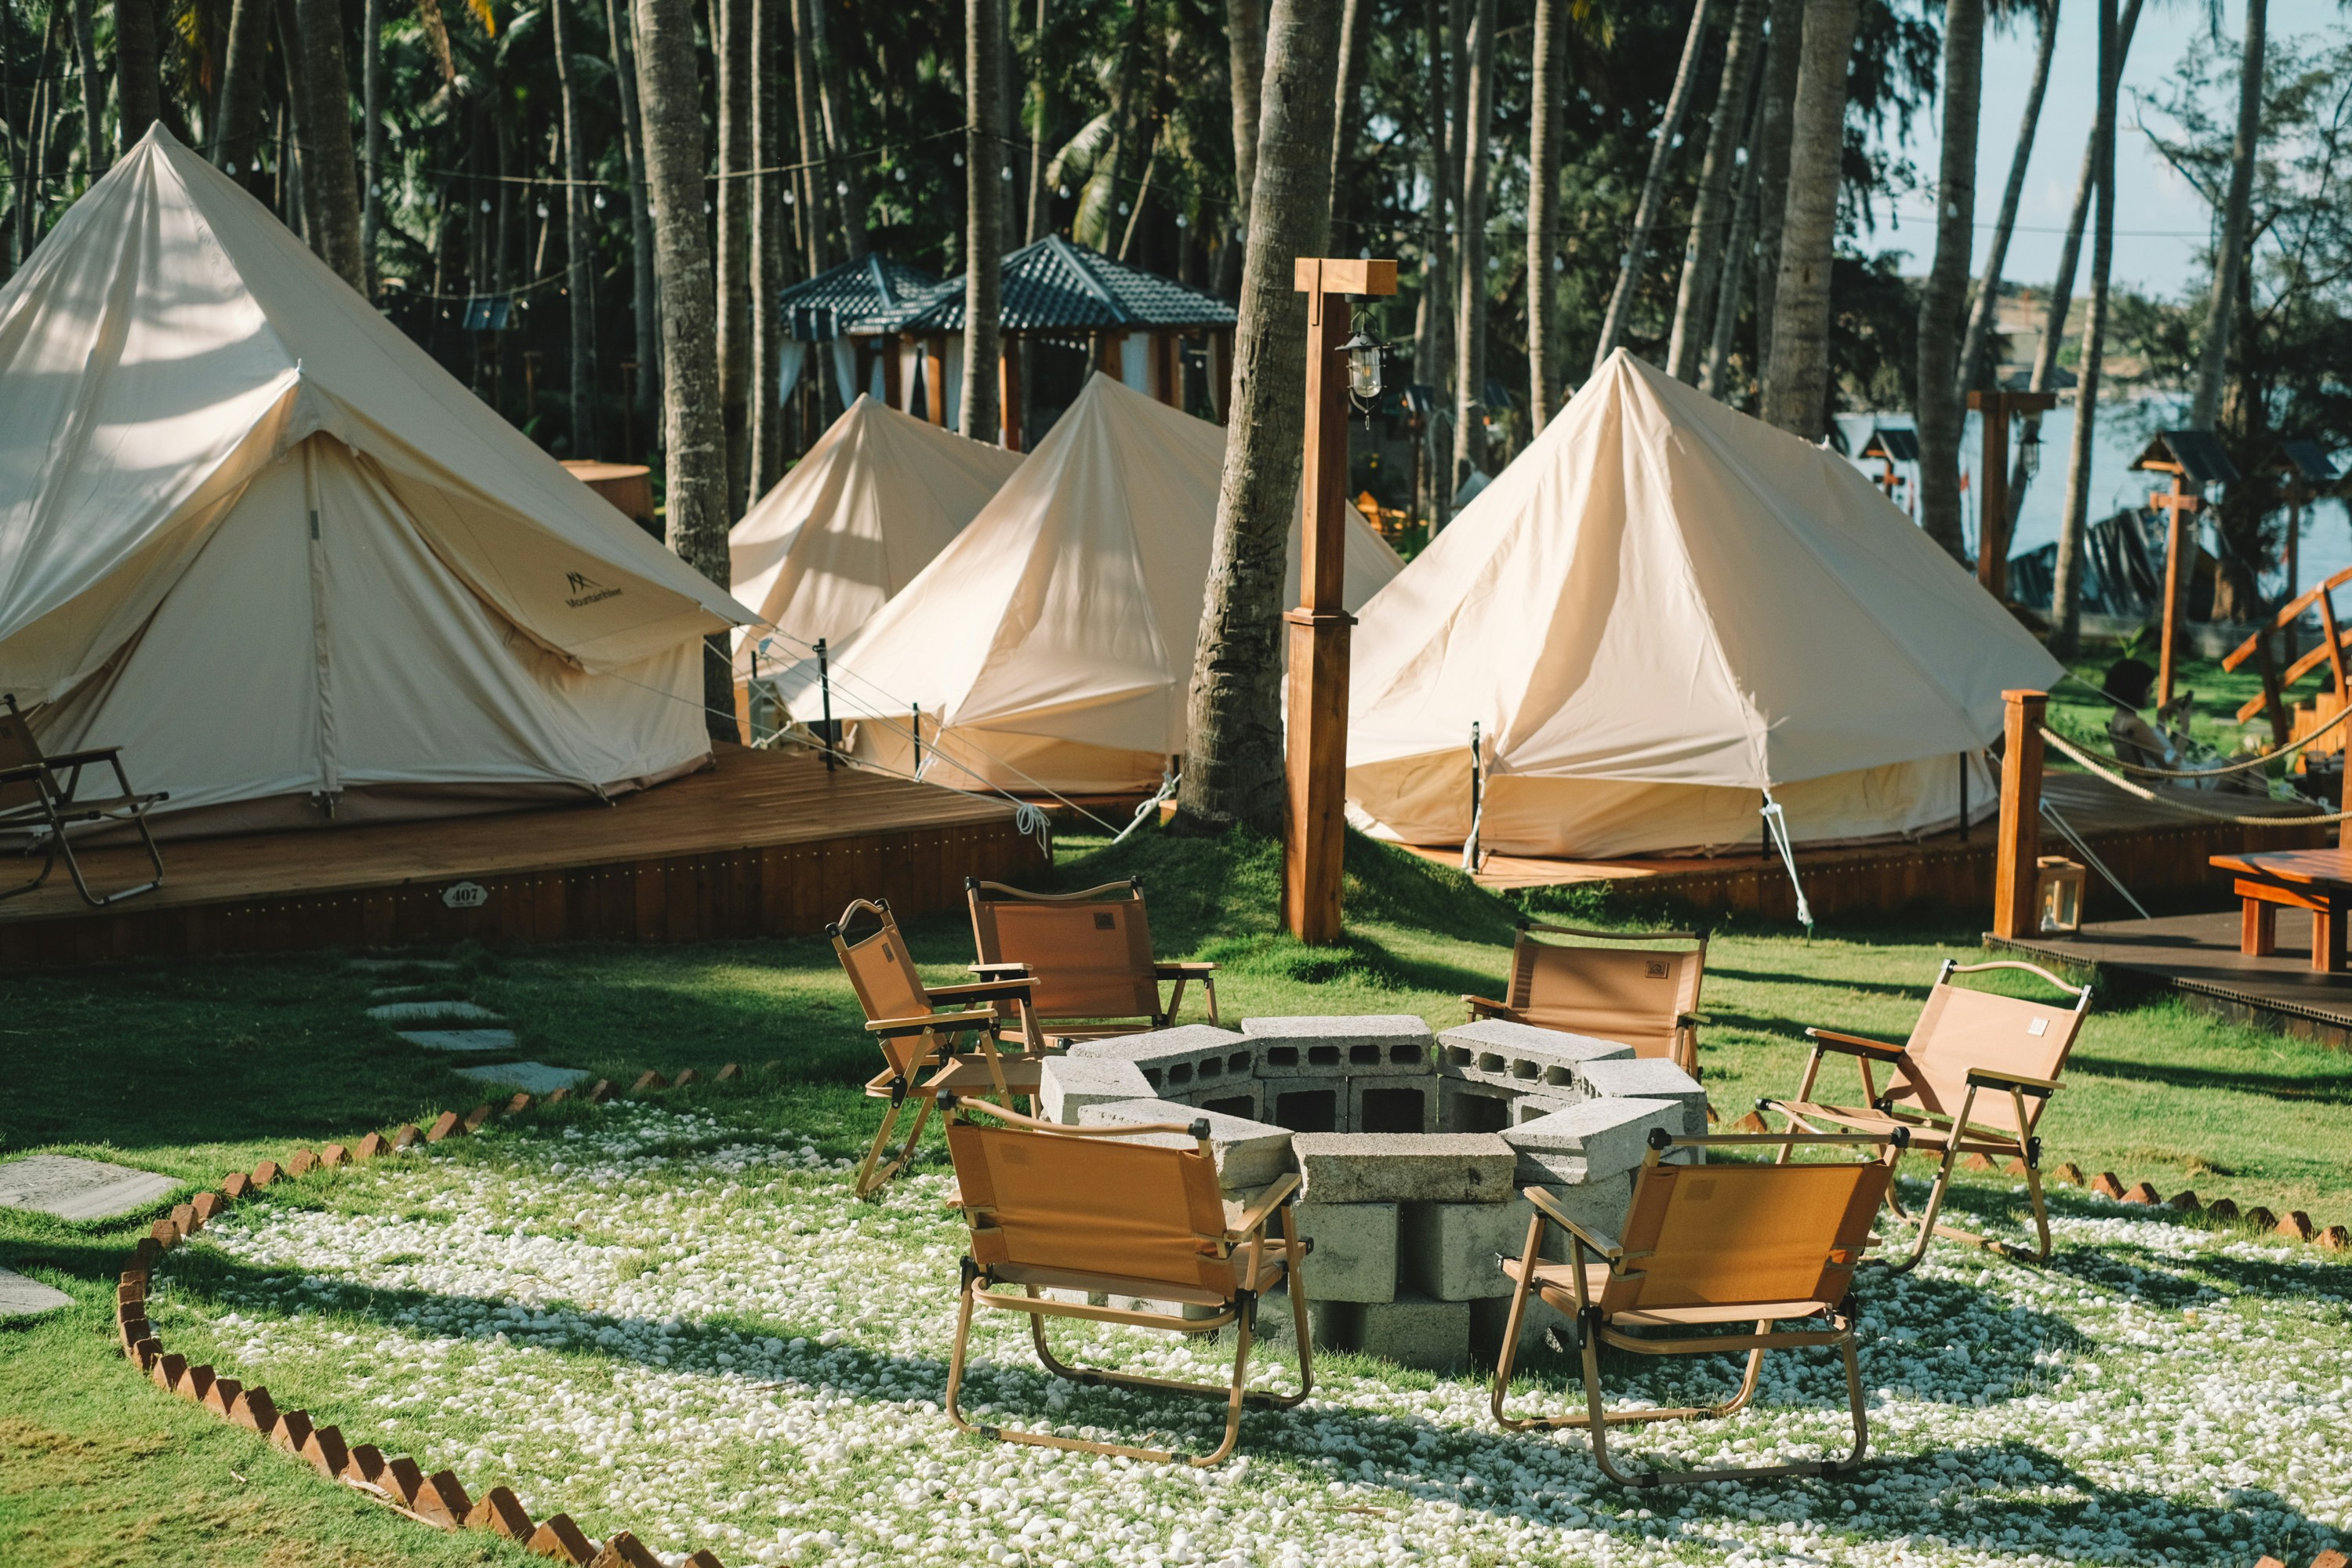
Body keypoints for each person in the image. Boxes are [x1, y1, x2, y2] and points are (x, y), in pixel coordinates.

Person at [2102, 658, 2177, 773]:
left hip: (2142, 780)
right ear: (2136, 689)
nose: (2151, 690)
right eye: (2148, 686)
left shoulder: (2119, 718)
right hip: (2156, 782)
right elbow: (2172, 765)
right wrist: (2185, 728)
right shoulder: (2135, 724)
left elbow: (2155, 748)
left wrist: (2161, 717)